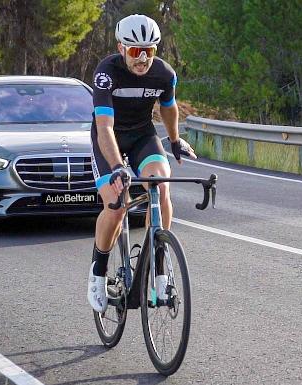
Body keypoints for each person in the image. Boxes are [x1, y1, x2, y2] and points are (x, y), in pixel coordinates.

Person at [88, 14, 196, 312]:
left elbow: (169, 108)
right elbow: (104, 127)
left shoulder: (164, 74)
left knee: (160, 186)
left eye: (150, 50)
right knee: (117, 203)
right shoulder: (106, 73)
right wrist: (117, 167)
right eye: (136, 51)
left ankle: (158, 268)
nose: (143, 58)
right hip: (108, 137)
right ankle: (98, 272)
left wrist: (174, 141)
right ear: (121, 48)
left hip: (142, 137)